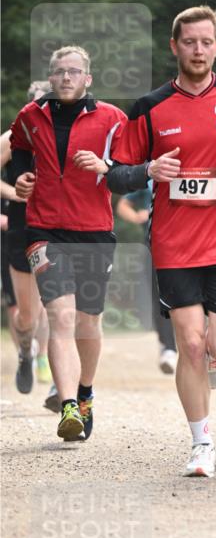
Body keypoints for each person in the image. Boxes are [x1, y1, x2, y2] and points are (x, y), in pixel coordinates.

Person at [97, 5, 216, 479]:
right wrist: (148, 170)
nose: (198, 50)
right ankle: (201, 444)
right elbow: (115, 175)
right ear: (175, 46)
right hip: (173, 243)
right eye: (189, 42)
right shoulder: (150, 107)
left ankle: (214, 363)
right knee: (188, 341)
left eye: (206, 42)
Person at [10, 48, 127, 441]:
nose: (65, 78)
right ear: (51, 77)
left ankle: (86, 391)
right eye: (59, 72)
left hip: (94, 230)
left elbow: (131, 172)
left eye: (73, 72)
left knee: (87, 322)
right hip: (45, 230)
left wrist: (105, 167)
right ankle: (67, 407)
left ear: (87, 79)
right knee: (60, 317)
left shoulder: (113, 120)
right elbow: (22, 161)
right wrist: (24, 180)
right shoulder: (30, 117)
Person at [1, 81, 53, 396]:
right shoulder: (12, 138)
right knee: (28, 315)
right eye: (38, 105)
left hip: (60, 229)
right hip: (22, 229)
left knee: (60, 307)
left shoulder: (69, 134)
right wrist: (16, 195)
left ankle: (63, 389)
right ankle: (26, 350)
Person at [116, 183, 178, 374]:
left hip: (188, 243)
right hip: (155, 245)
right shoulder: (149, 177)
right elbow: (122, 205)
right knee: (161, 297)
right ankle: (168, 347)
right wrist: (136, 216)